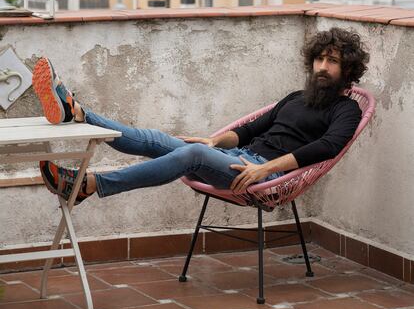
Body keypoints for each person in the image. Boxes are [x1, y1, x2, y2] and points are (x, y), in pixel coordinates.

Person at [34, 27, 369, 205]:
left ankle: (89, 184)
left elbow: (327, 147)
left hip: (264, 178)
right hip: (237, 158)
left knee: (191, 154)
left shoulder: (346, 109)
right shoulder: (297, 97)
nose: (323, 67)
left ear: (348, 69)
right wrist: (213, 141)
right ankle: (78, 113)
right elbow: (249, 130)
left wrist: (265, 168)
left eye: (333, 61)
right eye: (320, 59)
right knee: (162, 140)